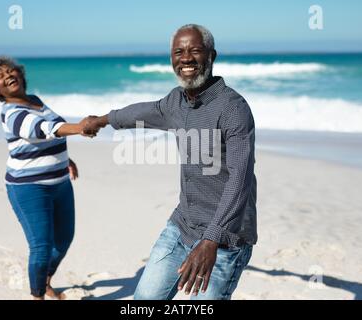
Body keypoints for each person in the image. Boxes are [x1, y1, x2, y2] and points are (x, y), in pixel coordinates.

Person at [83, 24, 257, 300]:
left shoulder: (233, 108)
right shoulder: (176, 102)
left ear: (212, 55)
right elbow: (142, 112)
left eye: (195, 50)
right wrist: (102, 120)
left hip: (225, 240)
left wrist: (211, 239)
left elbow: (240, 178)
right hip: (182, 226)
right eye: (179, 51)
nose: (186, 58)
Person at [0, 56, 97, 300]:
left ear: (21, 74)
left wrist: (66, 158)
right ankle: (38, 296)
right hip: (29, 188)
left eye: (11, 70)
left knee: (64, 239)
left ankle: (45, 280)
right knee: (41, 247)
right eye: (1, 76)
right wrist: (80, 127)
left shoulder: (34, 100)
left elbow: (53, 127)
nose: (8, 75)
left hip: (60, 183)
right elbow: (42, 130)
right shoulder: (11, 112)